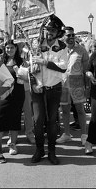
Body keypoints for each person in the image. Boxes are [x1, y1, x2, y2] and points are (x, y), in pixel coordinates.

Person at [30, 14, 67, 165]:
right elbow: (30, 68)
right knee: (38, 121)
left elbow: (63, 67)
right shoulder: (36, 45)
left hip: (54, 88)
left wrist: (45, 62)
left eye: (52, 30)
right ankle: (39, 149)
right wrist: (33, 84)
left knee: (52, 121)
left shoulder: (62, 47)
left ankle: (52, 151)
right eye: (47, 29)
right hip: (38, 88)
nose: (49, 32)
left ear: (58, 32)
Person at [56, 26, 90, 146]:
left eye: (72, 35)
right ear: (63, 36)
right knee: (64, 110)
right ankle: (66, 134)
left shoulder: (81, 50)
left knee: (80, 110)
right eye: (68, 35)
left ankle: (84, 135)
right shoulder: (59, 49)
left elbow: (86, 69)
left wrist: (88, 87)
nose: (71, 37)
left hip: (78, 83)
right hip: (63, 83)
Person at [0, 40, 26, 155]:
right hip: (3, 94)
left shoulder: (21, 61)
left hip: (17, 93)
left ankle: (13, 144)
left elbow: (26, 77)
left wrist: (22, 72)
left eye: (12, 48)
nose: (9, 50)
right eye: (7, 48)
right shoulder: (0, 61)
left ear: (16, 49)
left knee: (15, 118)